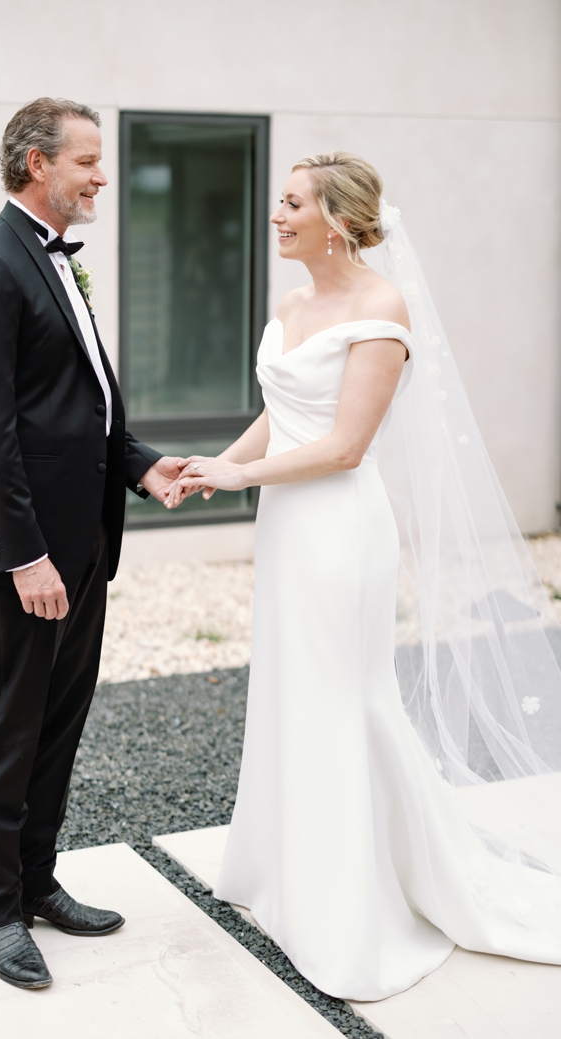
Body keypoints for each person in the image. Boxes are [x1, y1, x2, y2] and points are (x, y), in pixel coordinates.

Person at [172, 152, 561, 1000]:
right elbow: (285, 410)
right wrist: (215, 463)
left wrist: (240, 479)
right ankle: (288, 872)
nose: (275, 215)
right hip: (287, 526)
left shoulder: (383, 307)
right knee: (289, 690)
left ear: (338, 220)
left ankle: (356, 902)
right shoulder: (292, 304)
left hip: (341, 527)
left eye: (291, 204)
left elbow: (346, 445)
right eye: (279, 201)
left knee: (346, 697)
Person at [0, 97, 185, 990]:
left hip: (87, 541)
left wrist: (145, 467)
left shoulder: (57, 265)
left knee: (60, 720)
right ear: (37, 163)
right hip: (29, 553)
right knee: (9, 724)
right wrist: (26, 555)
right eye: (87, 159)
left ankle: (38, 881)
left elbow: (81, 405)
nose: (101, 176)